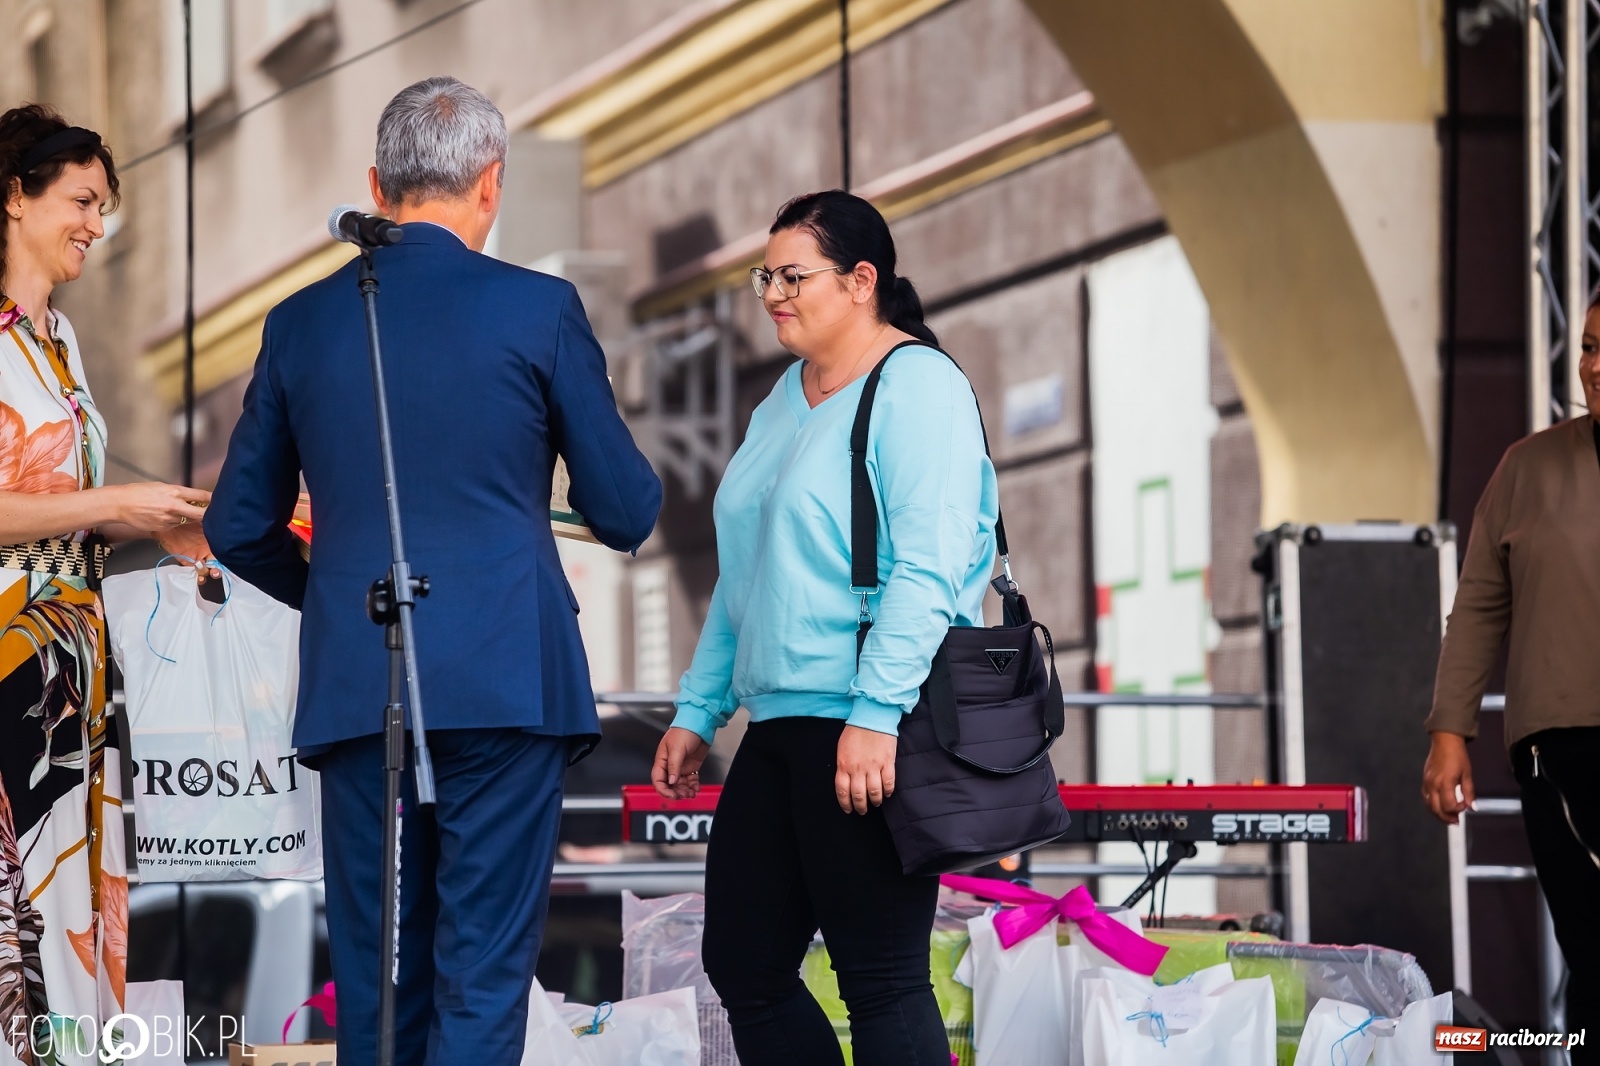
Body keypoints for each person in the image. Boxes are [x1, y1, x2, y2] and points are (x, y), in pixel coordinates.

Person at [204, 77, 661, 1065]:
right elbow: (626, 511)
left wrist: (334, 591)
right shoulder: (538, 310)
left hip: (361, 691)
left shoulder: (300, 322)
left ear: (376, 181)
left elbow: (236, 526)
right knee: (482, 968)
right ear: (490, 185)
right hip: (507, 683)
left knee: (375, 975)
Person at [650, 190, 996, 1065]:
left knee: (879, 977)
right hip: (779, 727)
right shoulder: (784, 397)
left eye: (792, 275)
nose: (772, 292)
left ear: (861, 281)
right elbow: (748, 572)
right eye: (764, 276)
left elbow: (929, 567)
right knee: (743, 962)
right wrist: (699, 710)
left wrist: (876, 714)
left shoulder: (917, 384)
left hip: (869, 721)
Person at [0, 105, 216, 1063]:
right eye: (81, 200)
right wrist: (116, 503)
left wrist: (159, 518)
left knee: (74, 884)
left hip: (72, 649)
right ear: (14, 195)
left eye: (104, 207)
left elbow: (75, 501)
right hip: (11, 644)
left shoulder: (61, 339)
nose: (95, 222)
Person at [1422, 298, 1600, 1063]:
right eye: (1588, 346)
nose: (1592, 364)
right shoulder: (1529, 467)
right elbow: (1479, 606)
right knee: (1594, 946)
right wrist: (1448, 732)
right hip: (1563, 752)